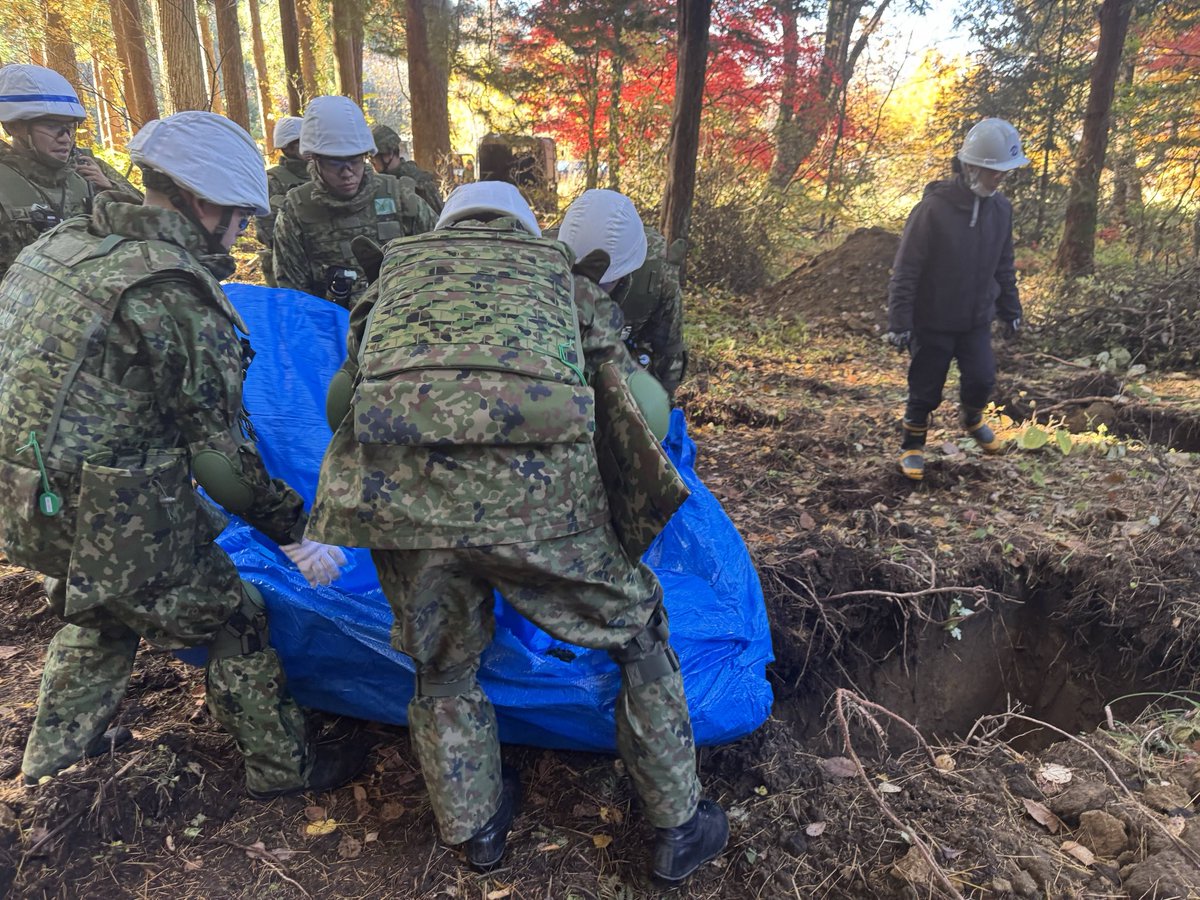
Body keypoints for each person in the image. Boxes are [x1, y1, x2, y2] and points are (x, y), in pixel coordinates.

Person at [306, 182, 728, 883]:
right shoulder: (559, 281)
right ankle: (679, 826)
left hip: (413, 511)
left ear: (446, 226)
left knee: (441, 663)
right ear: (528, 229)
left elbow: (339, 405)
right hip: (544, 516)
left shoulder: (391, 283)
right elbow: (644, 412)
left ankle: (477, 831)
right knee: (639, 634)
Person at [0, 110, 364, 797]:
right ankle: (285, 769)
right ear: (202, 204)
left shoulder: (62, 244)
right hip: (113, 510)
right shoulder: (172, 289)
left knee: (98, 609)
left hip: (26, 497)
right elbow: (219, 454)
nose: (241, 232)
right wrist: (294, 532)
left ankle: (51, 770)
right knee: (236, 616)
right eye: (236, 217)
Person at [885, 117, 1029, 481]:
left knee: (982, 379)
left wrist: (1010, 309)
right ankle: (912, 444)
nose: (1002, 179)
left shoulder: (1001, 210)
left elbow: (1004, 263)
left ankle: (972, 417)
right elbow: (906, 269)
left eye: (1004, 173)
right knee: (925, 387)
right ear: (972, 167)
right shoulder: (933, 210)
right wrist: (899, 322)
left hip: (975, 320)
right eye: (996, 172)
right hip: (932, 320)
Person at [273, 97, 436, 307]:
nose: (347, 173)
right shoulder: (296, 211)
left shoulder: (399, 196)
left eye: (355, 160)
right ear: (315, 160)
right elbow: (293, 297)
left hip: (401, 327)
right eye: (335, 163)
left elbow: (437, 260)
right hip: (331, 331)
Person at [558, 193, 688, 398]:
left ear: (627, 272)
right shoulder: (543, 260)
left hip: (624, 374)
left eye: (603, 283)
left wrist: (662, 407)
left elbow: (669, 352)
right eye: (582, 279)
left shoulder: (656, 274)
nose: (593, 292)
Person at [0, 64, 118, 280]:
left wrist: (110, 190)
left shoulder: (90, 169)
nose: (65, 137)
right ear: (14, 127)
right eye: (52, 126)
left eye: (71, 127)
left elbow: (148, 222)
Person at [256, 115, 309, 287]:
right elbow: (266, 231)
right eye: (303, 143)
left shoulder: (321, 174)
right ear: (289, 147)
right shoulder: (273, 181)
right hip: (286, 268)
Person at [370, 124, 444, 215]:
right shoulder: (375, 185)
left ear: (389, 154)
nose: (372, 161)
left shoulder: (420, 183)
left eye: (375, 157)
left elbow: (440, 219)